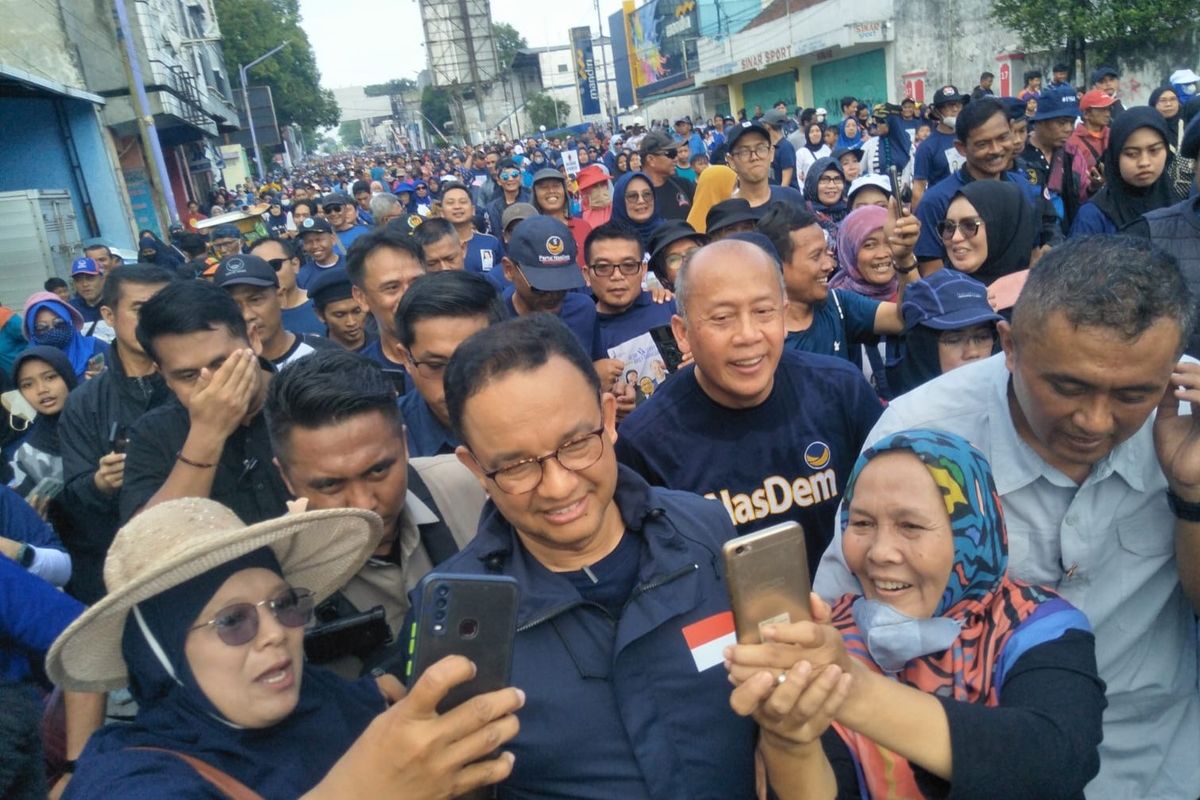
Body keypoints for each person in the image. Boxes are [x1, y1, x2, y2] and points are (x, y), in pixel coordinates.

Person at [814, 236, 1200, 797]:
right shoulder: (917, 437)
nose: (1094, 421)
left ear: (1171, 369)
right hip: (976, 764)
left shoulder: (1191, 414)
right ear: (1010, 345)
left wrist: (1191, 493)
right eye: (1067, 387)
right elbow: (846, 627)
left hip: (1160, 761)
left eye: (1133, 395)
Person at [428, 312, 756, 797]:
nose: (559, 486)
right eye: (517, 466)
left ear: (607, 418)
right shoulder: (455, 615)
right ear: (475, 468)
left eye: (577, 444)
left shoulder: (705, 532)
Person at [47, 498, 523, 798]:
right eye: (234, 621)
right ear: (160, 656)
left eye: (283, 604)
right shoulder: (128, 779)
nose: (275, 632)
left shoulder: (343, 700)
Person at [728, 429, 1104, 799]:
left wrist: (847, 687)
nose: (880, 552)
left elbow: (1053, 761)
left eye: (910, 526)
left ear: (971, 530)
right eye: (862, 523)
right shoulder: (834, 637)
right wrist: (791, 739)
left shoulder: (1037, 624)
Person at [615, 238, 882, 572]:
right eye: (723, 318)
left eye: (763, 312)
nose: (748, 335)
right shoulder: (646, 442)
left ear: (784, 316)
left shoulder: (842, 391)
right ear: (682, 334)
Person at [265, 350, 487, 676]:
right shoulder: (272, 581)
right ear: (285, 477)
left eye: (378, 470)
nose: (363, 503)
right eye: (330, 485)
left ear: (405, 444)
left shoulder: (474, 487)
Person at [120, 280, 290, 524]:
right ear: (163, 375)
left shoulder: (312, 400)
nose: (212, 384)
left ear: (253, 340)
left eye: (221, 364)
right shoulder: (152, 434)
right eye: (189, 376)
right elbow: (146, 544)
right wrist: (206, 434)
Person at [57, 265, 175, 602]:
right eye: (140, 309)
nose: (155, 319)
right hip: (133, 569)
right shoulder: (85, 403)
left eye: (163, 305)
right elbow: (73, 498)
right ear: (108, 315)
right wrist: (100, 483)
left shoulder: (197, 381)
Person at [915, 98, 1059, 272]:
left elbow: (1032, 251)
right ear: (961, 148)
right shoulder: (936, 202)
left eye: (1003, 138)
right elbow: (933, 278)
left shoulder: (1023, 187)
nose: (996, 150)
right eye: (983, 144)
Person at [396, 271, 506, 458]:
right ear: (406, 358)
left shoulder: (543, 418)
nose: (456, 385)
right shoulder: (384, 438)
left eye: (474, 362)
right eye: (436, 365)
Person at [501, 215, 604, 361]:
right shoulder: (493, 322)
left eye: (562, 282)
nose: (553, 294)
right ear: (509, 270)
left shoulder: (583, 311)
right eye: (541, 285)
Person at [885, 268, 1003, 397]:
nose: (972, 352)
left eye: (982, 337)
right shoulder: (901, 413)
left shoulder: (1011, 403)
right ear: (922, 347)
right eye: (954, 340)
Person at [213, 255, 338, 369]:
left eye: (255, 300)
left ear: (280, 297)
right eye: (234, 305)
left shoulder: (325, 355)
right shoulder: (221, 373)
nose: (247, 315)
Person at [1070, 107, 1173, 236]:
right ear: (1115, 157)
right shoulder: (1094, 217)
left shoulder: (1183, 208)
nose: (1144, 162)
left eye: (1154, 150)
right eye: (1132, 154)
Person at [346, 227, 426, 393]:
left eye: (416, 282)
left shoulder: (466, 355)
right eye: (392, 287)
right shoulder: (356, 379)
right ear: (361, 297)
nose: (408, 296)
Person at [585, 221, 677, 353]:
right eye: (603, 267)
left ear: (643, 269)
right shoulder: (580, 328)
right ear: (587, 274)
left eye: (628, 266)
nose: (617, 276)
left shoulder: (668, 307)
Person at [8, 346, 77, 502]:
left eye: (50, 377)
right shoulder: (27, 455)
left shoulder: (104, 418)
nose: (41, 389)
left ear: (67, 376)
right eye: (27, 385)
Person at [938, 180, 1038, 285]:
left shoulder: (1042, 297)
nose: (955, 237)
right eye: (949, 227)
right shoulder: (932, 295)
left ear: (1003, 229)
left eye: (969, 225)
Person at [20, 292, 108, 381]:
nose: (52, 331)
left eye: (59, 324)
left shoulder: (96, 348)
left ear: (70, 322)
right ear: (32, 332)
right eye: (41, 327)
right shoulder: (27, 363)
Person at [248, 236, 324, 337]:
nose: (269, 274)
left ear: (295, 264)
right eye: (259, 269)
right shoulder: (251, 318)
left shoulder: (324, 302)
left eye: (275, 265)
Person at [1053, 89, 1116, 209]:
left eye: (1109, 109)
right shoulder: (1071, 142)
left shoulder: (1114, 134)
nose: (1108, 113)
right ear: (1086, 114)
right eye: (1102, 109)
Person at [910, 85, 969, 209]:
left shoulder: (970, 137)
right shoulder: (927, 147)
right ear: (937, 112)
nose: (955, 109)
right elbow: (918, 189)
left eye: (958, 104)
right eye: (949, 105)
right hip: (942, 211)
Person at [440, 183, 505, 276]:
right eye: (450, 203)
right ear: (442, 212)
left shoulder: (491, 242)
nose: (457, 207)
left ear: (473, 209)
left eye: (463, 202)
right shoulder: (434, 246)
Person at [530, 168, 591, 265]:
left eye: (556, 185)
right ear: (535, 194)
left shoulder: (583, 227)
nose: (551, 191)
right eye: (543, 187)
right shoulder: (529, 232)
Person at [306, 266, 368, 351]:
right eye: (340, 315)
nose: (351, 322)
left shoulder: (385, 346)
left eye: (357, 311)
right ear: (320, 315)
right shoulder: (314, 357)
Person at [638, 130, 695, 221]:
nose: (676, 159)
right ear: (651, 159)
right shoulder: (635, 195)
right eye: (671, 154)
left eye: (676, 153)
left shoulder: (684, 185)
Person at [610, 171, 665, 250]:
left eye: (647, 194)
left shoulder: (668, 234)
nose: (641, 201)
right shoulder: (608, 241)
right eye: (632, 196)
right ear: (620, 201)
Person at [296, 217, 343, 290]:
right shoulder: (303, 275)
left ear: (333, 239)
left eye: (319, 240)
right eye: (308, 241)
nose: (315, 246)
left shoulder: (351, 264)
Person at [67, 257, 106, 330]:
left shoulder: (116, 304)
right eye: (78, 280)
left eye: (90, 278)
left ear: (102, 280)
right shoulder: (70, 310)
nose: (84, 284)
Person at [793, 121, 831, 185]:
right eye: (812, 132)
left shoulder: (827, 149)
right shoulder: (801, 153)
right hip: (809, 190)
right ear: (807, 135)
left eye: (817, 131)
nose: (815, 134)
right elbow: (798, 176)